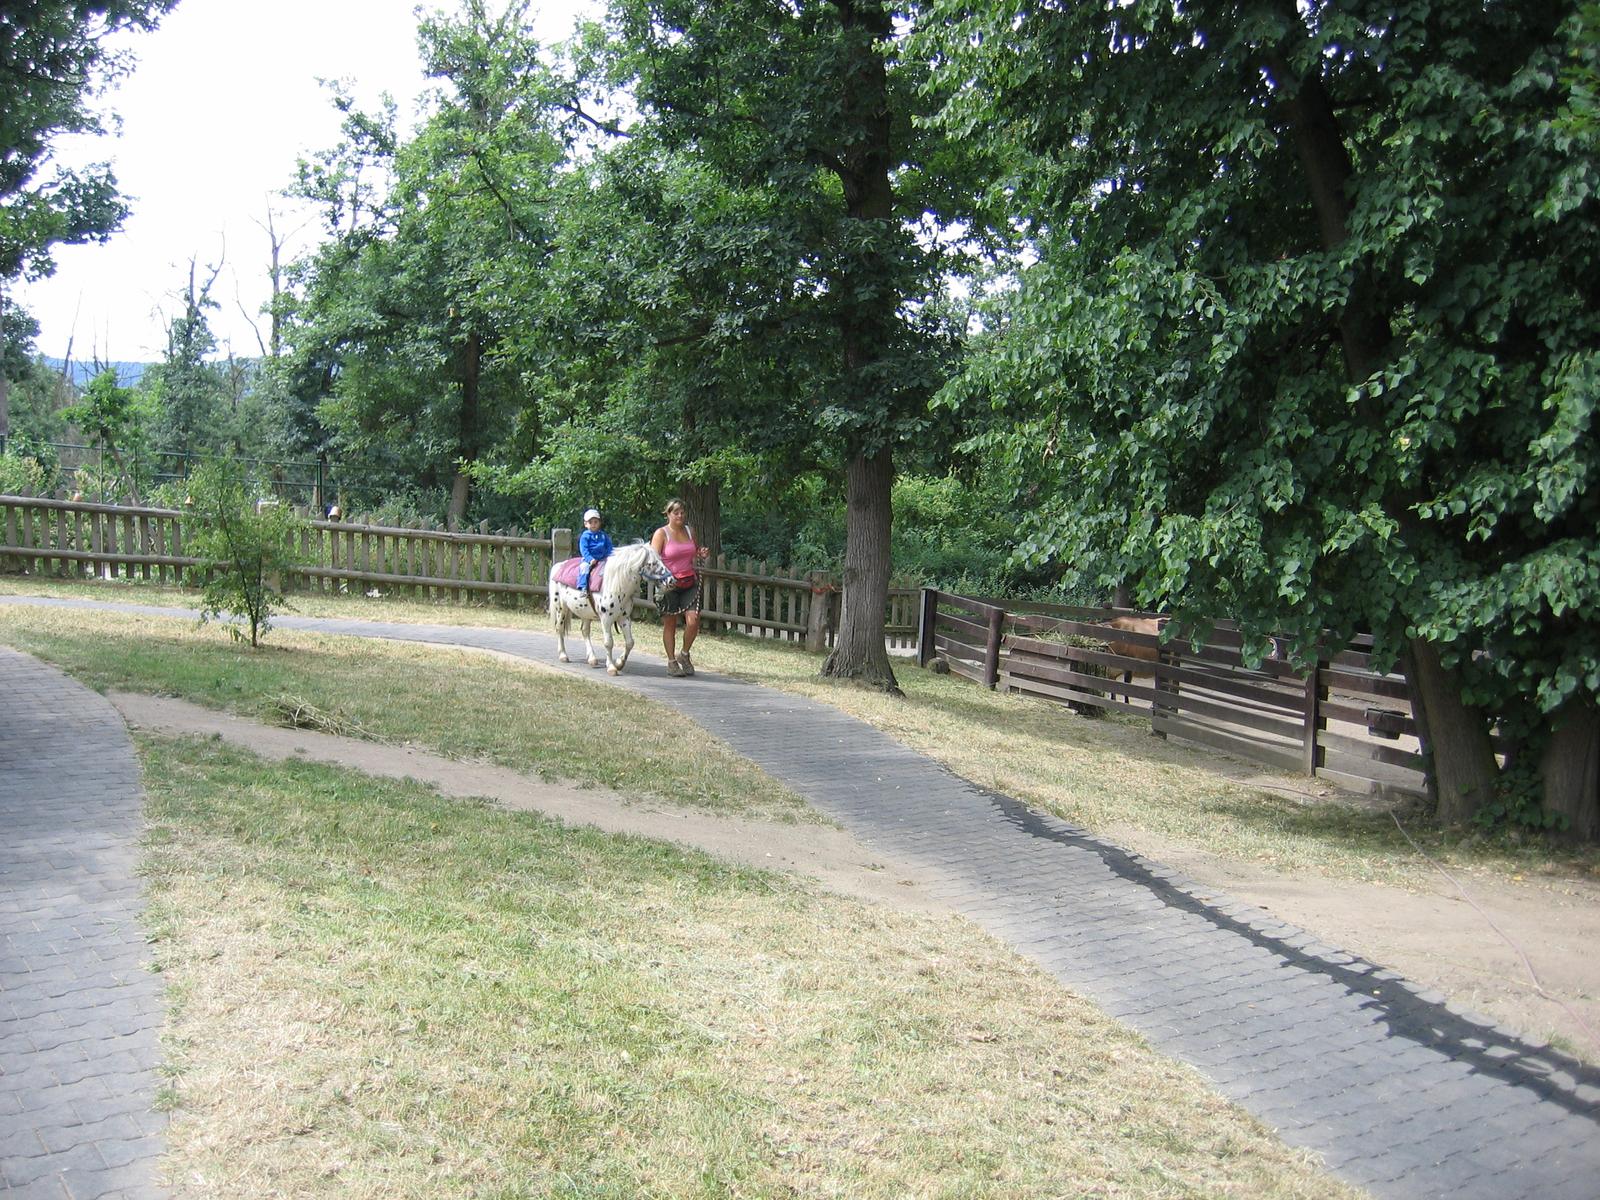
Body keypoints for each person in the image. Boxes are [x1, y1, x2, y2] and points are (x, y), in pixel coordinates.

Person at [650, 497, 708, 676]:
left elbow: (693, 552)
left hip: (689, 582)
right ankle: (671, 662)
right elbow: (653, 560)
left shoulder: (690, 531)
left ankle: (684, 654)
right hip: (669, 585)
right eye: (676, 513)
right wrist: (663, 579)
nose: (680, 516)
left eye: (682, 512)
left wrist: (700, 553)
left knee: (693, 620)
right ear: (668, 514)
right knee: (670, 623)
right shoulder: (661, 534)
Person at [577, 508, 613, 593]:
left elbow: (609, 547)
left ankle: (607, 587)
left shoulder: (603, 535)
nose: (593, 524)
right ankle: (583, 587)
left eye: (596, 522)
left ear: (599, 523)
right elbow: (584, 550)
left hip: (602, 558)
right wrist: (590, 559)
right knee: (584, 568)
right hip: (590, 559)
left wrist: (610, 555)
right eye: (590, 522)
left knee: (609, 569)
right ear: (585, 524)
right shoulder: (585, 536)